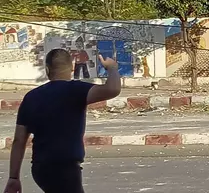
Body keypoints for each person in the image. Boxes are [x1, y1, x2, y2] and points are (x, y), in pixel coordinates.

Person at [4, 50, 122, 193]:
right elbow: (113, 89)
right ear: (72, 68)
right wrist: (112, 68)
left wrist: (13, 177)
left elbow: (19, 140)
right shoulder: (76, 90)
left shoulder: (31, 97)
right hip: (66, 168)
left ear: (47, 69)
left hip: (40, 168)